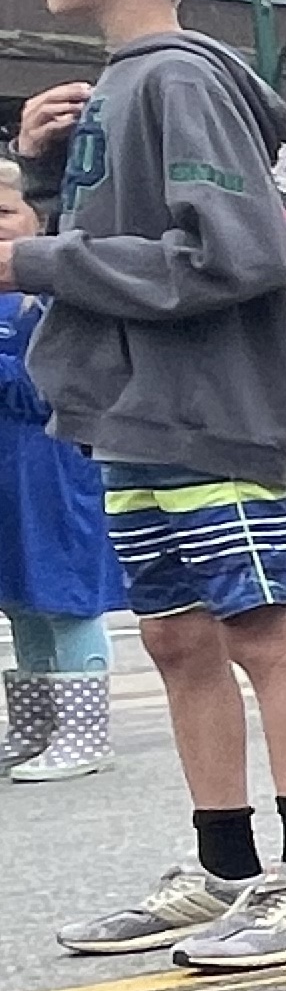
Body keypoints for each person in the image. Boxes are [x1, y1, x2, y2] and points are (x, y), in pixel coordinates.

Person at [12, 0, 286, 969]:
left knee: (257, 629)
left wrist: (37, 257)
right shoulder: (127, 83)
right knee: (175, 636)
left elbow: (238, 253)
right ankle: (224, 866)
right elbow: (127, 239)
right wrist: (46, 178)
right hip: (135, 410)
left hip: (207, 407)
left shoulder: (177, 79)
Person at [0, 169, 122, 782]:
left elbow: (52, 387)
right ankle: (34, 724)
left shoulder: (50, 295)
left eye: (3, 215)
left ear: (40, 221)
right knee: (19, 599)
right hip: (8, 467)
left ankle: (83, 730)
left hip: (48, 461)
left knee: (63, 595)